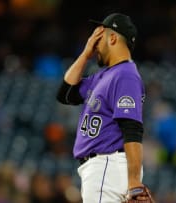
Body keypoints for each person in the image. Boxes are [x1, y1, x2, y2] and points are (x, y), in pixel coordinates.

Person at [57, 13, 153, 202]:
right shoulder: (103, 76)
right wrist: (85, 54)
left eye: (99, 38)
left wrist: (133, 182)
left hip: (107, 167)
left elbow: (132, 128)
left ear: (113, 38)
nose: (95, 43)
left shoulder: (125, 75)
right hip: (102, 169)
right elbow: (65, 94)